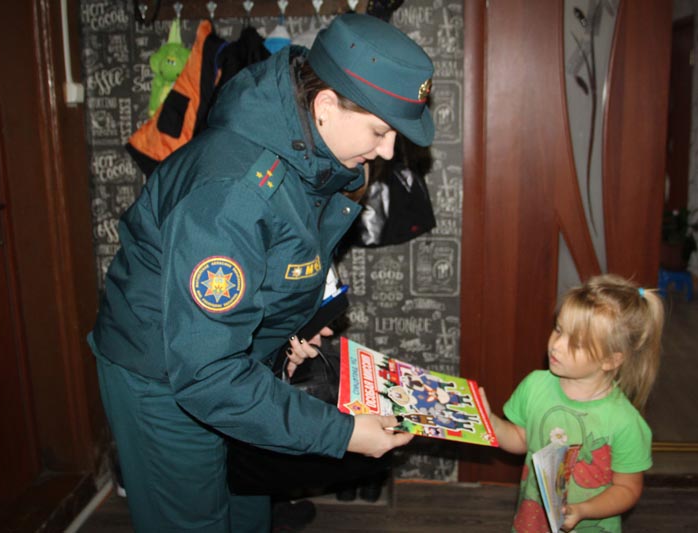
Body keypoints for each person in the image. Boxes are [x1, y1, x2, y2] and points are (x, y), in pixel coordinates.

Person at [88, 13, 434, 533]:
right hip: (163, 375)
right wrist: (342, 433)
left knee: (246, 506)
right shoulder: (235, 191)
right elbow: (207, 373)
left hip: (230, 361)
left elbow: (276, 259)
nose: (387, 151)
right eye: (381, 130)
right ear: (324, 106)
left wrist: (292, 326)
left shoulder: (312, 150)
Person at [480, 274, 664, 532]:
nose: (556, 346)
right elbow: (522, 439)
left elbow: (627, 488)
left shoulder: (624, 422)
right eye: (558, 329)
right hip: (533, 522)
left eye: (576, 343)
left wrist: (583, 510)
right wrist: (489, 422)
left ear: (610, 360)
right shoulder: (535, 385)